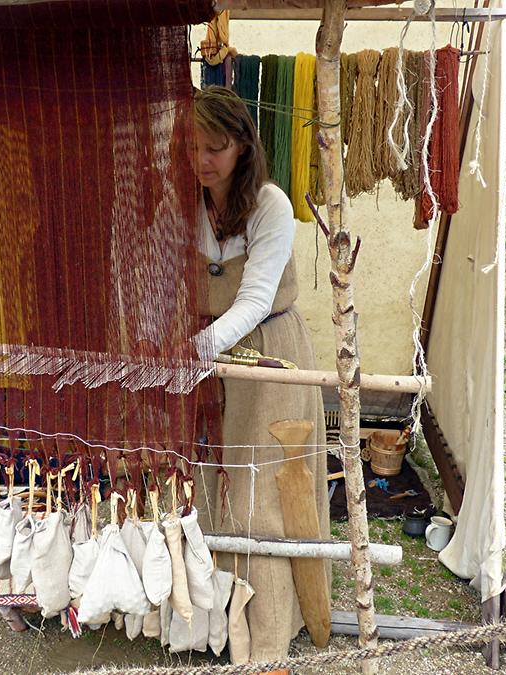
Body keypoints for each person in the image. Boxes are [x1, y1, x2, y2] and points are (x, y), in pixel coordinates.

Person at [191, 86, 330, 663]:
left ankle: (268, 635)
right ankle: (206, 621)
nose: (202, 161)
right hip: (203, 354)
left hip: (266, 354)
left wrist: (196, 348)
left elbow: (252, 300)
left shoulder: (270, 205)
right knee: (205, 477)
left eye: (215, 149)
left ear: (243, 147)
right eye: (193, 147)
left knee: (261, 489)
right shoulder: (183, 200)